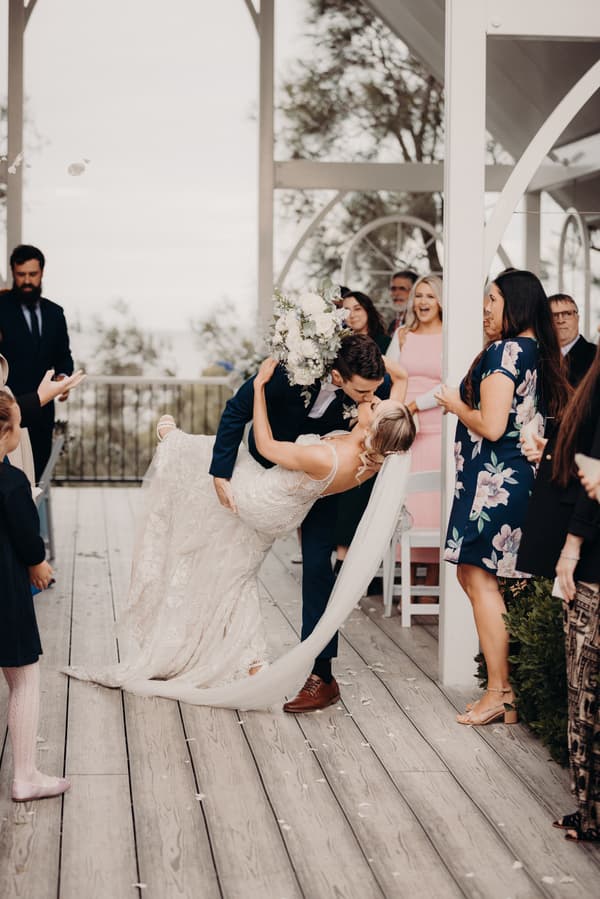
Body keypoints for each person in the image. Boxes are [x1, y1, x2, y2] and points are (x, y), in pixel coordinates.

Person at [63, 357, 415, 707]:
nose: (372, 399)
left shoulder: (330, 455)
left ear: (374, 429)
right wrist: (337, 343)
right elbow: (400, 376)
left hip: (262, 497)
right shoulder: (375, 456)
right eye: (372, 395)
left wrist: (259, 387)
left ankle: (171, 439)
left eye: (376, 403)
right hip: (282, 509)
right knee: (235, 573)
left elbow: (264, 446)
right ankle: (252, 662)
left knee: (211, 459)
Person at [210, 333, 398, 712]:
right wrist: (220, 473)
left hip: (323, 482)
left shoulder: (376, 385)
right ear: (336, 376)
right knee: (232, 563)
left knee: (316, 567)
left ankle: (322, 675)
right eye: (362, 393)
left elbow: (391, 394)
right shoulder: (286, 371)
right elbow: (235, 412)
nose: (370, 400)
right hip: (268, 477)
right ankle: (213, 650)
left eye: (373, 393)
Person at [436, 270, 570, 726]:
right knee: (480, 578)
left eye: (491, 299)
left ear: (513, 303)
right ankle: (503, 694)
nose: (485, 309)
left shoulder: (506, 350)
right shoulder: (536, 352)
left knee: (479, 577)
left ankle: (500, 693)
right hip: (512, 481)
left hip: (493, 485)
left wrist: (454, 403)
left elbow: (492, 426)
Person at [517, 346, 600, 843]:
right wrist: (550, 448)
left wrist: (570, 550)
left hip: (591, 557)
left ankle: (591, 811)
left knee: (586, 689)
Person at [0, 391, 70, 802]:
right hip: (6, 594)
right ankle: (25, 776)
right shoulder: (10, 480)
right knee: (24, 678)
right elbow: (27, 537)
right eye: (17, 423)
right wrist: (39, 563)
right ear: (5, 432)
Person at [386, 275, 443, 588]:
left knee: (434, 505)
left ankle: (432, 583)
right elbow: (388, 377)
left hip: (438, 429)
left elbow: (454, 384)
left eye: (430, 297)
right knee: (407, 503)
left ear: (441, 302)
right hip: (406, 430)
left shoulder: (452, 335)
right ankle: (410, 581)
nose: (422, 302)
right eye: (418, 296)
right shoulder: (403, 335)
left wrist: (417, 406)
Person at [0, 245, 74, 480]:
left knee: (38, 480)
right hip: (9, 414)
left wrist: (63, 377)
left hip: (43, 415)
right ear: (14, 273)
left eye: (32, 274)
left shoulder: (55, 313)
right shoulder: (0, 309)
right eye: (21, 275)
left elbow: (64, 356)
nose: (27, 281)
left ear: (42, 273)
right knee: (12, 484)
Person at [548, 293, 596, 388]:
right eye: (554, 315)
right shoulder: (538, 357)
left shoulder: (596, 357)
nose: (560, 320)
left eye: (567, 314)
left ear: (577, 318)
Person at [387, 270, 418, 335]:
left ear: (415, 292)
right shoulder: (393, 324)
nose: (396, 293)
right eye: (393, 289)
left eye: (402, 289)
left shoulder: (419, 323)